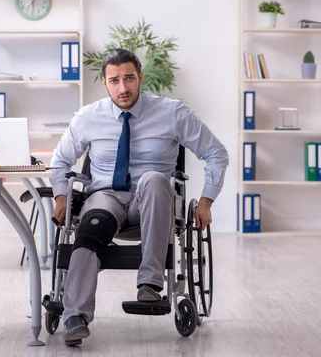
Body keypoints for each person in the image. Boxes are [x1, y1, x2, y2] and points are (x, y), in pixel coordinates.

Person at [49, 48, 229, 346]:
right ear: (104, 83)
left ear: (140, 77)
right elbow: (59, 161)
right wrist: (60, 196)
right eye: (115, 80)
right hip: (106, 196)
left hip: (154, 201)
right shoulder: (87, 117)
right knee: (90, 226)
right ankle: (75, 316)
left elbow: (216, 153)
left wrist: (207, 201)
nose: (123, 88)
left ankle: (150, 284)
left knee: (156, 180)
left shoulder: (172, 112)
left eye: (129, 78)